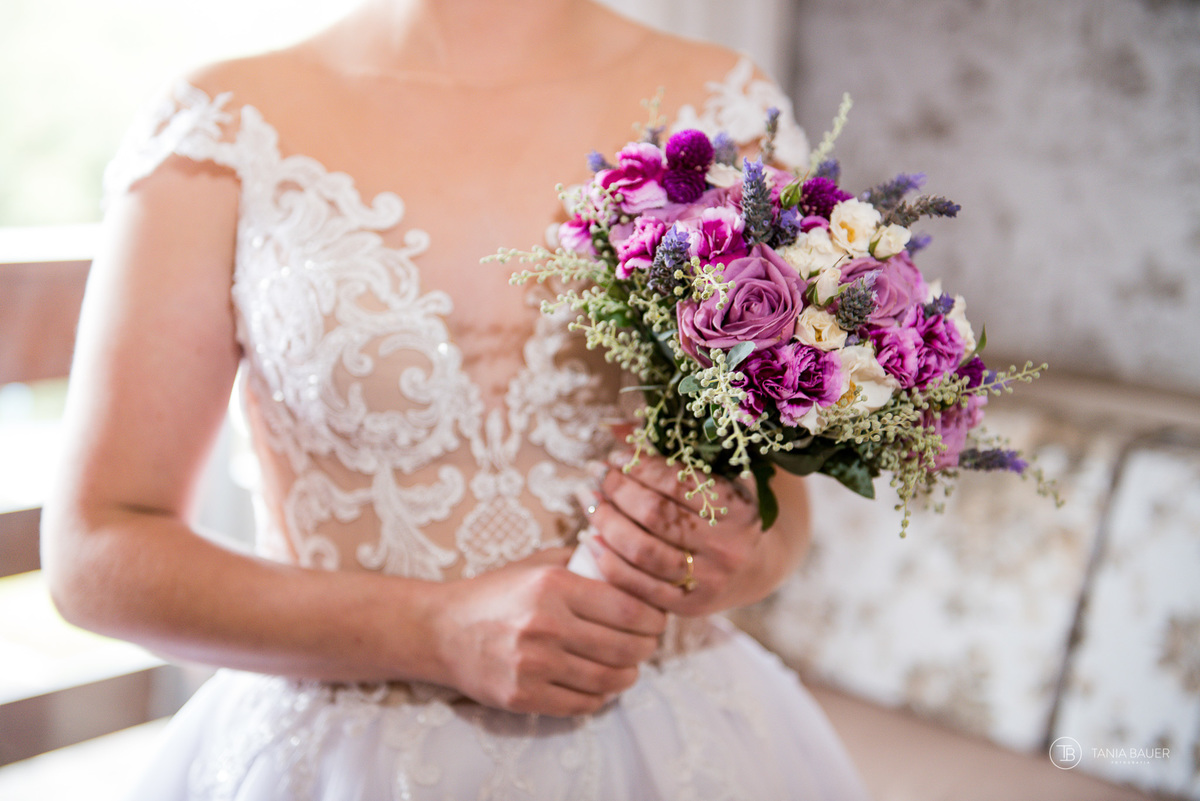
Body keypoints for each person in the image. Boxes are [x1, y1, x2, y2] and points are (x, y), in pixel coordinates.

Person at [41, 0, 870, 797]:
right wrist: (431, 630)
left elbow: (781, 517)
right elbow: (95, 551)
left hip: (674, 734)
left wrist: (727, 554)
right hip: (336, 751)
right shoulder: (224, 123)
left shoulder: (727, 103)